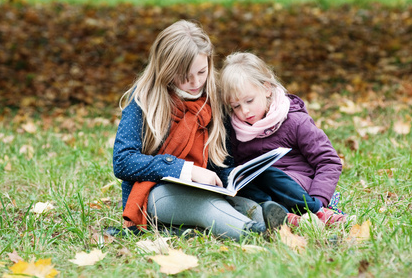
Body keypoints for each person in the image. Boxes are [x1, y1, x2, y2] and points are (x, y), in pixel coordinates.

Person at [112, 21, 287, 240]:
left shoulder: (213, 97)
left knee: (245, 204)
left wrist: (229, 178)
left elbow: (218, 162)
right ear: (166, 69)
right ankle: (254, 234)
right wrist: (185, 170)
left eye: (202, 72)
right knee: (208, 207)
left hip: (204, 190)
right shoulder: (144, 99)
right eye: (185, 76)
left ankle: (284, 227)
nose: (195, 82)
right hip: (152, 194)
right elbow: (123, 161)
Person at [219, 52, 348, 226]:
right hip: (264, 192)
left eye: (249, 101)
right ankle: (284, 217)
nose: (244, 111)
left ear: (266, 88)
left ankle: (317, 212)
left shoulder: (294, 121)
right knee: (242, 181)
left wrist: (320, 198)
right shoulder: (235, 130)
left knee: (267, 173)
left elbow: (329, 161)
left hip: (299, 188)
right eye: (236, 106)